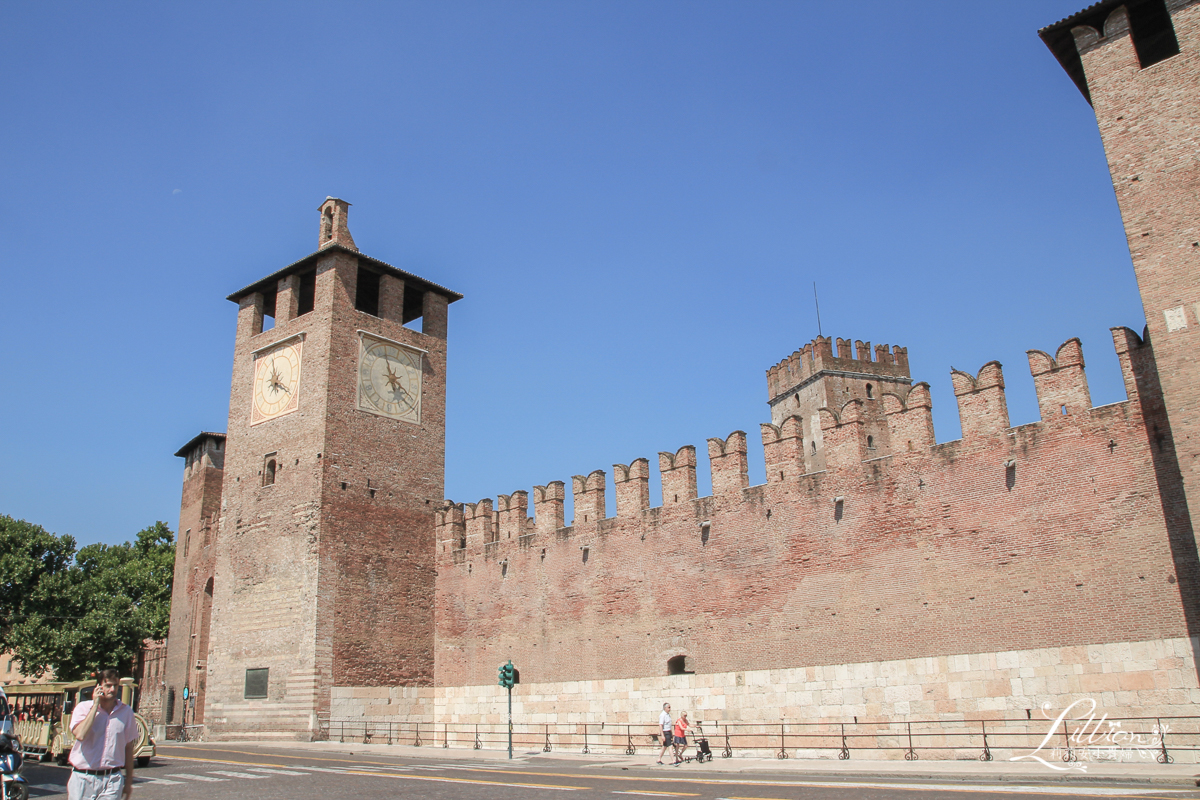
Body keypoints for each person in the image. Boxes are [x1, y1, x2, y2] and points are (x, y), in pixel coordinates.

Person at [67, 670, 138, 800]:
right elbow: (80, 735)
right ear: (98, 687)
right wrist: (95, 706)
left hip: (112, 779)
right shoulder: (82, 708)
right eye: (108, 685)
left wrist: (128, 783)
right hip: (84, 778)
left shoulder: (126, 712)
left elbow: (128, 748)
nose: (112, 689)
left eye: (115, 686)